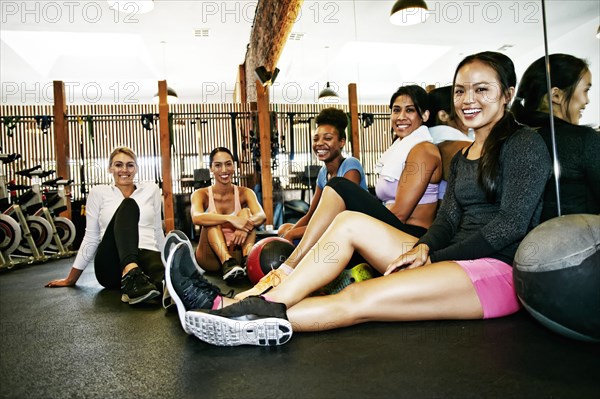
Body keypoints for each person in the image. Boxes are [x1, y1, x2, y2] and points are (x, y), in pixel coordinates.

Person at [168, 51, 552, 346]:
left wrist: (434, 256)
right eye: (460, 91)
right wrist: (425, 249)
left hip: (493, 272)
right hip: (447, 254)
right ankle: (232, 308)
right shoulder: (467, 155)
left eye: (482, 89)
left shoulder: (524, 144)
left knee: (358, 298)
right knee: (349, 222)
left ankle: (236, 317)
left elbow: (512, 225)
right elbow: (447, 221)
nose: (468, 99)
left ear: (507, 94)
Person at [235, 85, 443, 299]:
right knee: (334, 230)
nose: (401, 116)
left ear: (425, 115)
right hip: (393, 229)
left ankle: (286, 271)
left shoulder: (422, 151)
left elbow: (398, 215)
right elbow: (314, 213)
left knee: (339, 187)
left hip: (410, 237)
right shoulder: (400, 149)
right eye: (396, 110)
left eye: (409, 110)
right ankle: (281, 291)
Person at [46, 146, 165, 306]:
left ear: (136, 168)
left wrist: (168, 261)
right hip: (111, 263)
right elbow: (91, 237)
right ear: (110, 168)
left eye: (130, 165)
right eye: (118, 165)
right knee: (128, 205)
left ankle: (145, 286)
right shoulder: (98, 192)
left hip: (147, 255)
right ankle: (131, 272)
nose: (124, 170)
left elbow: (158, 231)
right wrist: (71, 279)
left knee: (163, 279)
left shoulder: (151, 189)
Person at [511, 53, 600, 220]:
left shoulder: (514, 140)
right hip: (580, 241)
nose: (586, 100)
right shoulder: (583, 140)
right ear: (556, 95)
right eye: (585, 90)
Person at [277, 107, 368, 242]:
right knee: (284, 228)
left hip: (352, 230)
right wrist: (288, 234)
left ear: (342, 142)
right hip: (330, 228)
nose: (319, 143)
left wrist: (293, 234)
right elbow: (311, 214)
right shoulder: (323, 173)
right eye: (316, 138)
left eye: (328, 138)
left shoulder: (350, 165)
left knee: (292, 234)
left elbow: (338, 218)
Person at [191, 147, 266, 281]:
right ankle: (227, 262)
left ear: (234, 166)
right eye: (218, 165)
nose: (224, 170)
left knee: (246, 212)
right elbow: (196, 217)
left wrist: (245, 227)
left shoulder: (245, 192)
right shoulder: (201, 194)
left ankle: (246, 259)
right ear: (211, 168)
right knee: (211, 217)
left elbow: (261, 215)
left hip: (236, 250)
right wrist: (230, 219)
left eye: (228, 164)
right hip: (210, 257)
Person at [426, 85, 474, 199]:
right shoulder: (463, 147)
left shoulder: (423, 142)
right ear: (443, 115)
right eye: (463, 107)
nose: (471, 110)